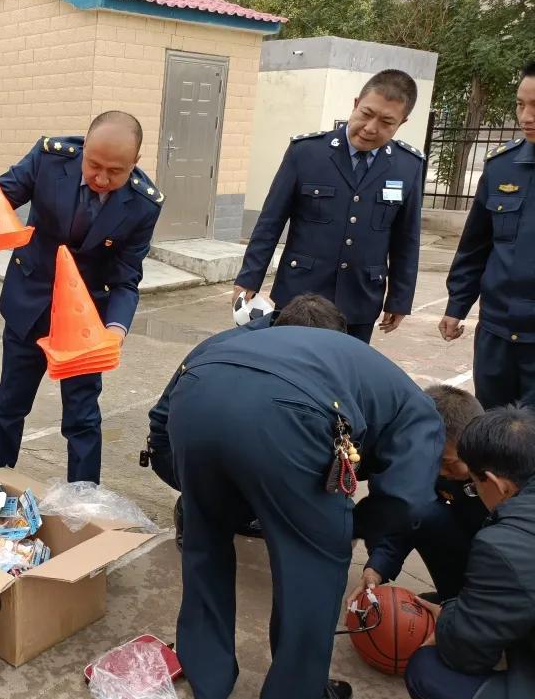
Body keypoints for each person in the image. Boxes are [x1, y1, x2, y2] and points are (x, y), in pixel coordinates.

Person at [169, 326, 442, 699]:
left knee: (204, 540)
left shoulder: (294, 343)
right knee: (315, 563)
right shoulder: (423, 415)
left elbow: (161, 422)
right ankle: (294, 696)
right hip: (288, 413)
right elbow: (408, 501)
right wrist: (349, 528)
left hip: (194, 394)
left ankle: (207, 680)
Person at [0, 111, 162, 483]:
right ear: (84, 147)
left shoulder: (143, 204)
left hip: (85, 323)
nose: (101, 178)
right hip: (30, 303)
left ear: (135, 163)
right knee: (9, 405)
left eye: (114, 172)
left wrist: (114, 331)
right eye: (93, 165)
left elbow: (126, 278)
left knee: (82, 417)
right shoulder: (50, 158)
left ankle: (83, 501)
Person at [233, 69, 424, 343]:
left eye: (386, 122)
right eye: (367, 113)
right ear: (356, 103)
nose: (371, 128)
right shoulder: (307, 152)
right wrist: (249, 278)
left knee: (345, 375)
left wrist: (399, 298)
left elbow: (407, 239)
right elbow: (271, 221)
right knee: (289, 368)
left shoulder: (408, 166)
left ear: (402, 123)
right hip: (300, 296)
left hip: (360, 298)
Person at [144, 293, 347, 544]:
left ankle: (235, 504)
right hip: (179, 454)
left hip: (213, 449)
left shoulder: (279, 335)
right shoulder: (236, 356)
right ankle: (195, 511)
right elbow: (170, 425)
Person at [404, 405, 535, 699]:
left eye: (476, 486)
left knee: (427, 669)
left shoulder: (506, 546)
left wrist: (452, 620)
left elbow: (465, 654)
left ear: (495, 483)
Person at [439, 61, 535, 409]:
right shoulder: (501, 166)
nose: (526, 116)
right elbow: (474, 247)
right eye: (520, 104)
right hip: (496, 334)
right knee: (491, 430)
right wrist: (456, 306)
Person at [346, 384, 485, 605]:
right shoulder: (435, 467)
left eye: (448, 463)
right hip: (469, 541)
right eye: (434, 460)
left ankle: (472, 608)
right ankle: (453, 598)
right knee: (423, 511)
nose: (440, 471)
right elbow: (410, 518)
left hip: (504, 564)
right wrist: (378, 566)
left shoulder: (506, 472)